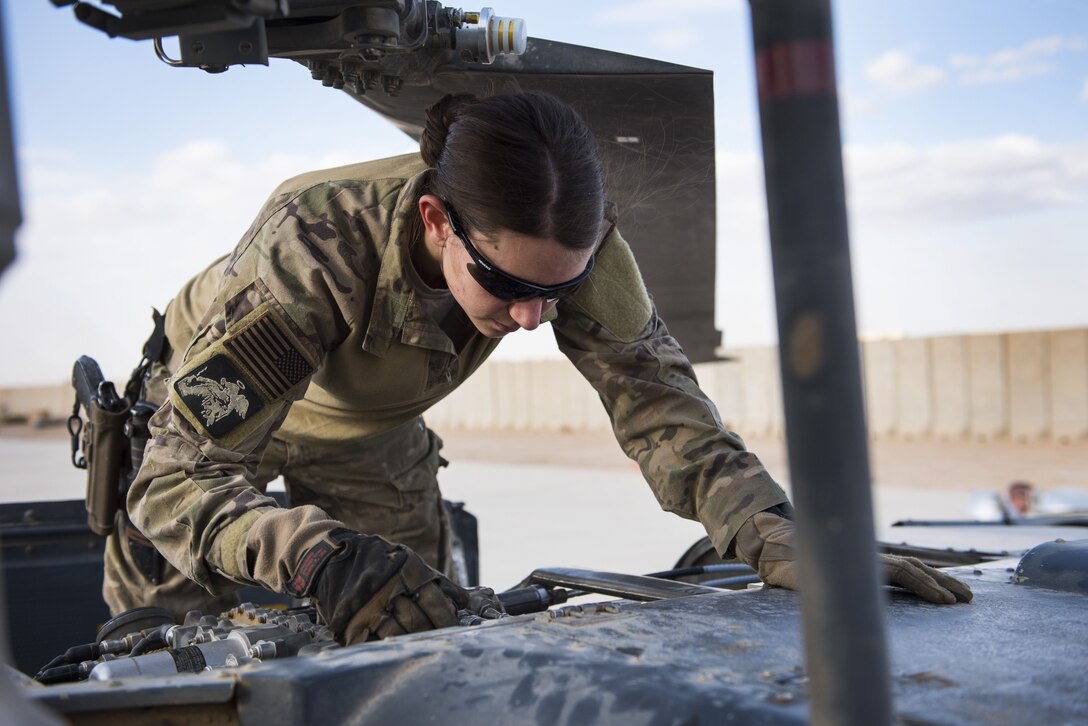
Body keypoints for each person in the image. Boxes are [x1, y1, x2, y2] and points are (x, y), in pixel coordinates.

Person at [105, 91, 971, 646]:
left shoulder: (570, 248)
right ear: (437, 221)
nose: (532, 317)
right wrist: (316, 560)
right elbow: (174, 484)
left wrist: (765, 529)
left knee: (416, 634)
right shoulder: (311, 250)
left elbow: (659, 403)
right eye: (509, 286)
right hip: (214, 429)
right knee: (166, 651)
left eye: (556, 291)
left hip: (369, 431)